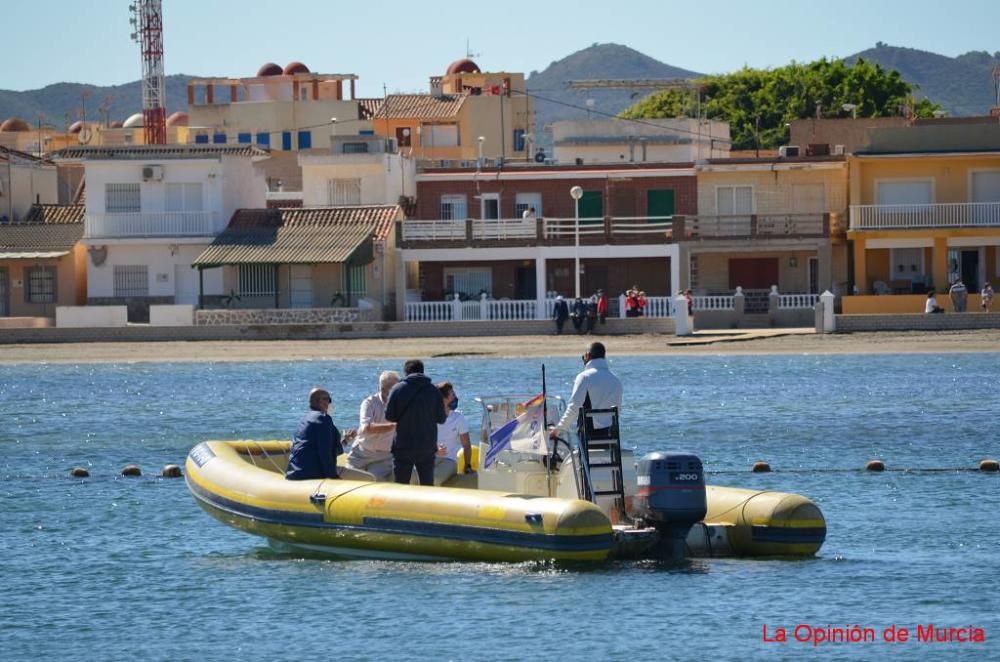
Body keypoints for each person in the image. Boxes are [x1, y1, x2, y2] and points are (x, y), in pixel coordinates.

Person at [385, 359, 447, 486]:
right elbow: (441, 419)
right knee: (427, 486)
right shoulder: (433, 390)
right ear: (422, 372)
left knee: (401, 486)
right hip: (427, 446)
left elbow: (389, 416)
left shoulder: (398, 389)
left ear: (406, 373)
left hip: (403, 445)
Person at [550, 342, 624, 443]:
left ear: (588, 356)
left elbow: (574, 408)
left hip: (589, 435)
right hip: (611, 436)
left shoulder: (584, 377)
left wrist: (557, 430)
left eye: (583, 356)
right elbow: (618, 411)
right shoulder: (616, 380)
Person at [286, 388, 357, 480]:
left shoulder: (305, 419)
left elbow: (323, 449)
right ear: (321, 401)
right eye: (329, 400)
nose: (330, 403)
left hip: (295, 473)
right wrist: (333, 477)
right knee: (368, 478)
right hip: (312, 475)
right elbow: (325, 453)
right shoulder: (323, 419)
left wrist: (345, 441)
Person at [345, 370, 399, 481]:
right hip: (361, 453)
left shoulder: (401, 405)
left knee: (375, 481)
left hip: (383, 457)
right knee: (349, 482)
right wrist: (393, 425)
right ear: (382, 388)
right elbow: (366, 428)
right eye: (391, 387)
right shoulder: (369, 403)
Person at [433, 381, 473, 485]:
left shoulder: (458, 418)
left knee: (434, 479)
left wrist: (467, 465)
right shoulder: (428, 417)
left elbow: (467, 445)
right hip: (430, 458)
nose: (456, 398)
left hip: (449, 461)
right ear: (443, 399)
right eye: (453, 395)